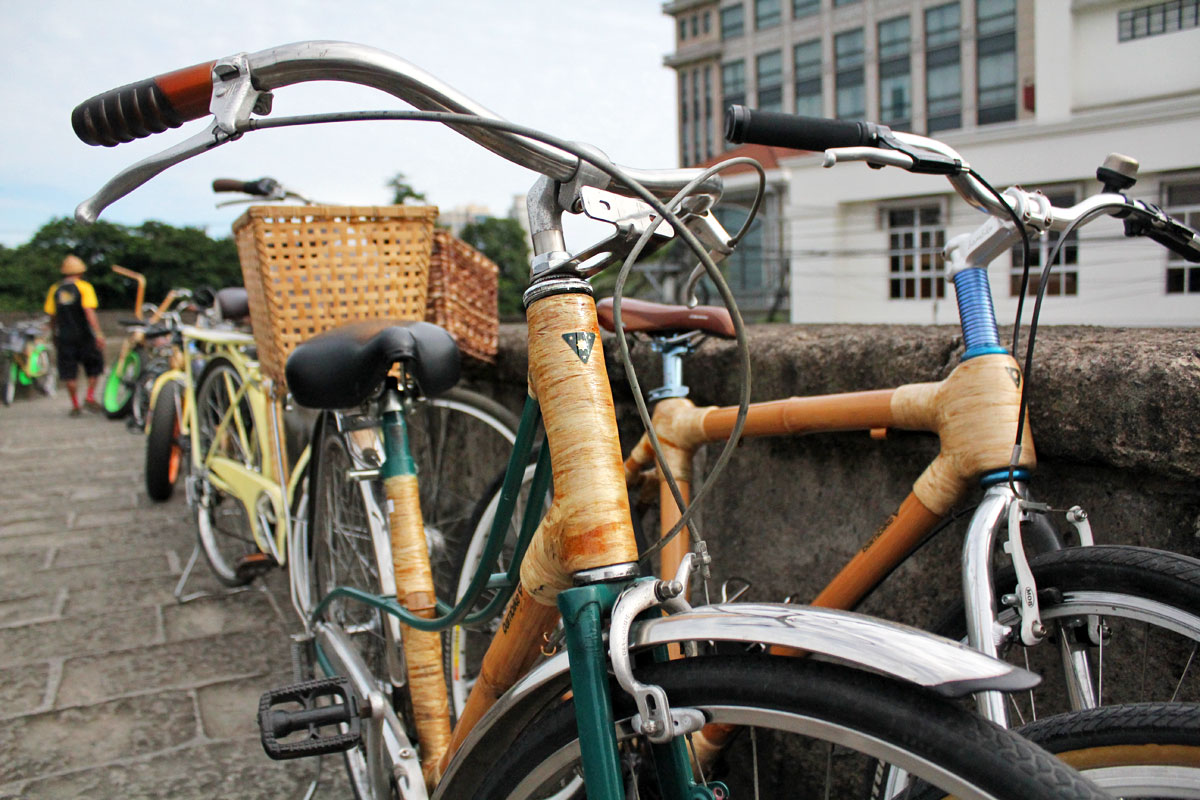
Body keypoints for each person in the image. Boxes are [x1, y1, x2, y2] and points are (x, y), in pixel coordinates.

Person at [44, 255, 106, 416]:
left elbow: (52, 316)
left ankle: (75, 404)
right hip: (85, 335)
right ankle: (90, 396)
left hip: (64, 337)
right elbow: (89, 312)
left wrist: (53, 334)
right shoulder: (84, 287)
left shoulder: (55, 289)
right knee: (94, 367)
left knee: (68, 372)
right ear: (80, 271)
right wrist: (98, 333)